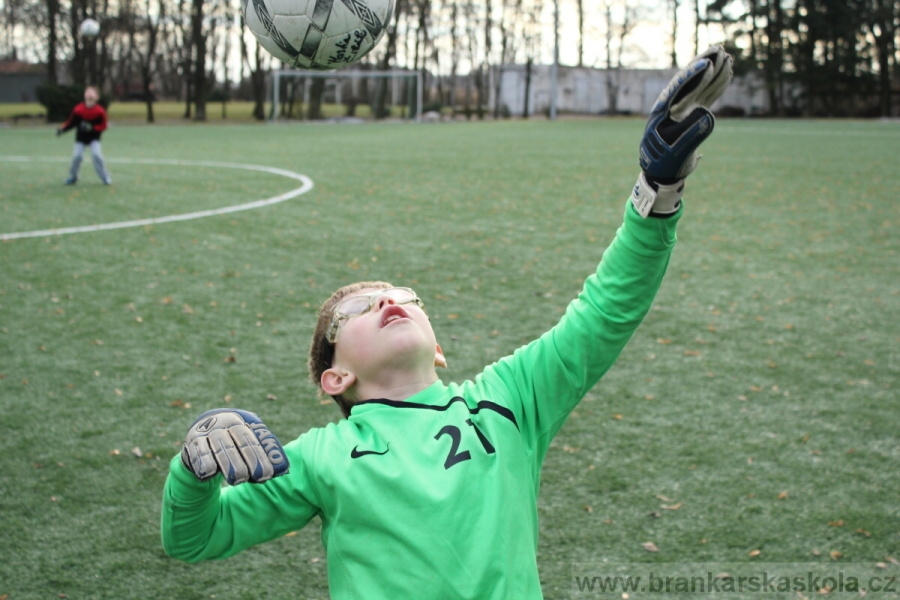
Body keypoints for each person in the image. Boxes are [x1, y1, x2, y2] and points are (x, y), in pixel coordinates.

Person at [161, 46, 733, 600]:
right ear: (335, 378)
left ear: (438, 350)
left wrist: (656, 192)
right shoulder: (321, 456)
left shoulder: (509, 399)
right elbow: (195, 538)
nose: (388, 303)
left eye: (404, 297)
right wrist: (191, 470)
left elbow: (604, 312)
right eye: (356, 311)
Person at [56, 85, 112, 185]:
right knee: (77, 157)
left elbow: (104, 126)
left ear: (96, 97)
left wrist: (93, 128)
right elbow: (71, 123)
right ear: (84, 96)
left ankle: (105, 177)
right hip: (81, 138)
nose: (89, 95)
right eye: (87, 93)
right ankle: (73, 177)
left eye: (92, 93)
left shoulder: (100, 111)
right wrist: (62, 129)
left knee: (96, 155)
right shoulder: (78, 109)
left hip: (94, 138)